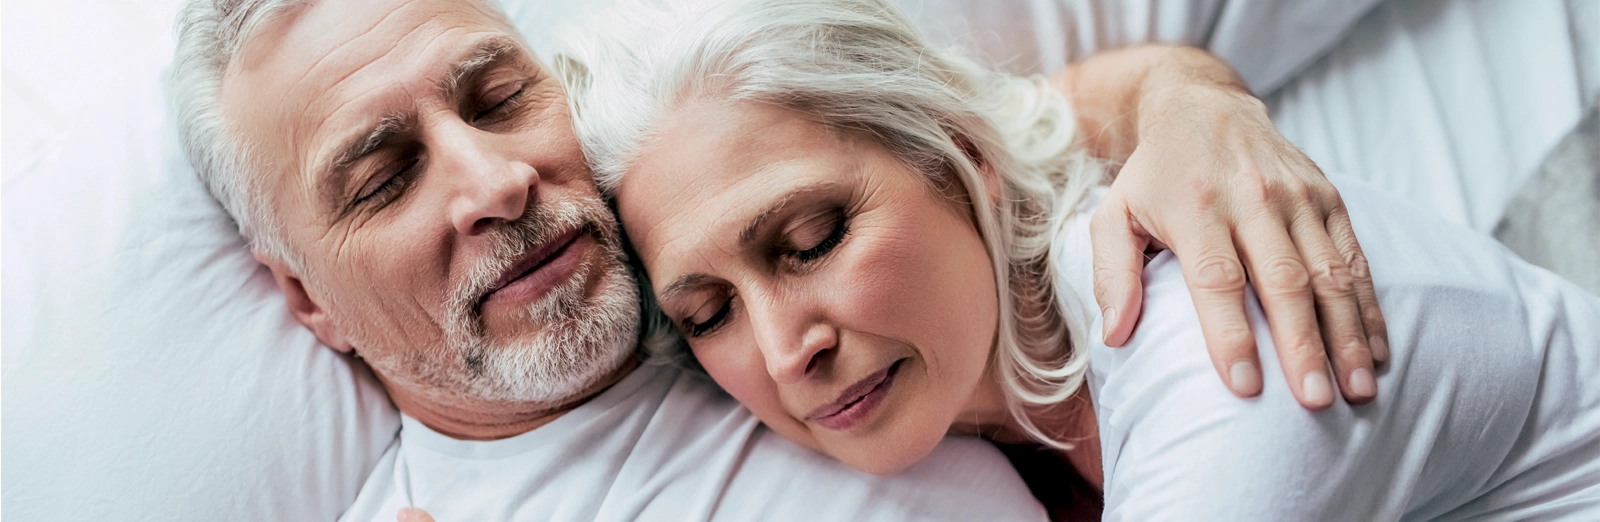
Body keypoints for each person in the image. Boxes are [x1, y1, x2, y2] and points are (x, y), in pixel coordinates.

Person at [170, 0, 1390, 519]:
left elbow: (963, 135)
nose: (493, 182)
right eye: (384, 178)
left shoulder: (665, 221)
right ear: (306, 300)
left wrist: (1189, 100)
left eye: (497, 98)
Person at [548, 0, 1600, 519]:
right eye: (708, 313)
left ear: (965, 162)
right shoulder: (977, 383)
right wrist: (1179, 92)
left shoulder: (1228, 364)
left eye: (812, 240)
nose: (785, 352)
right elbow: (1063, 102)